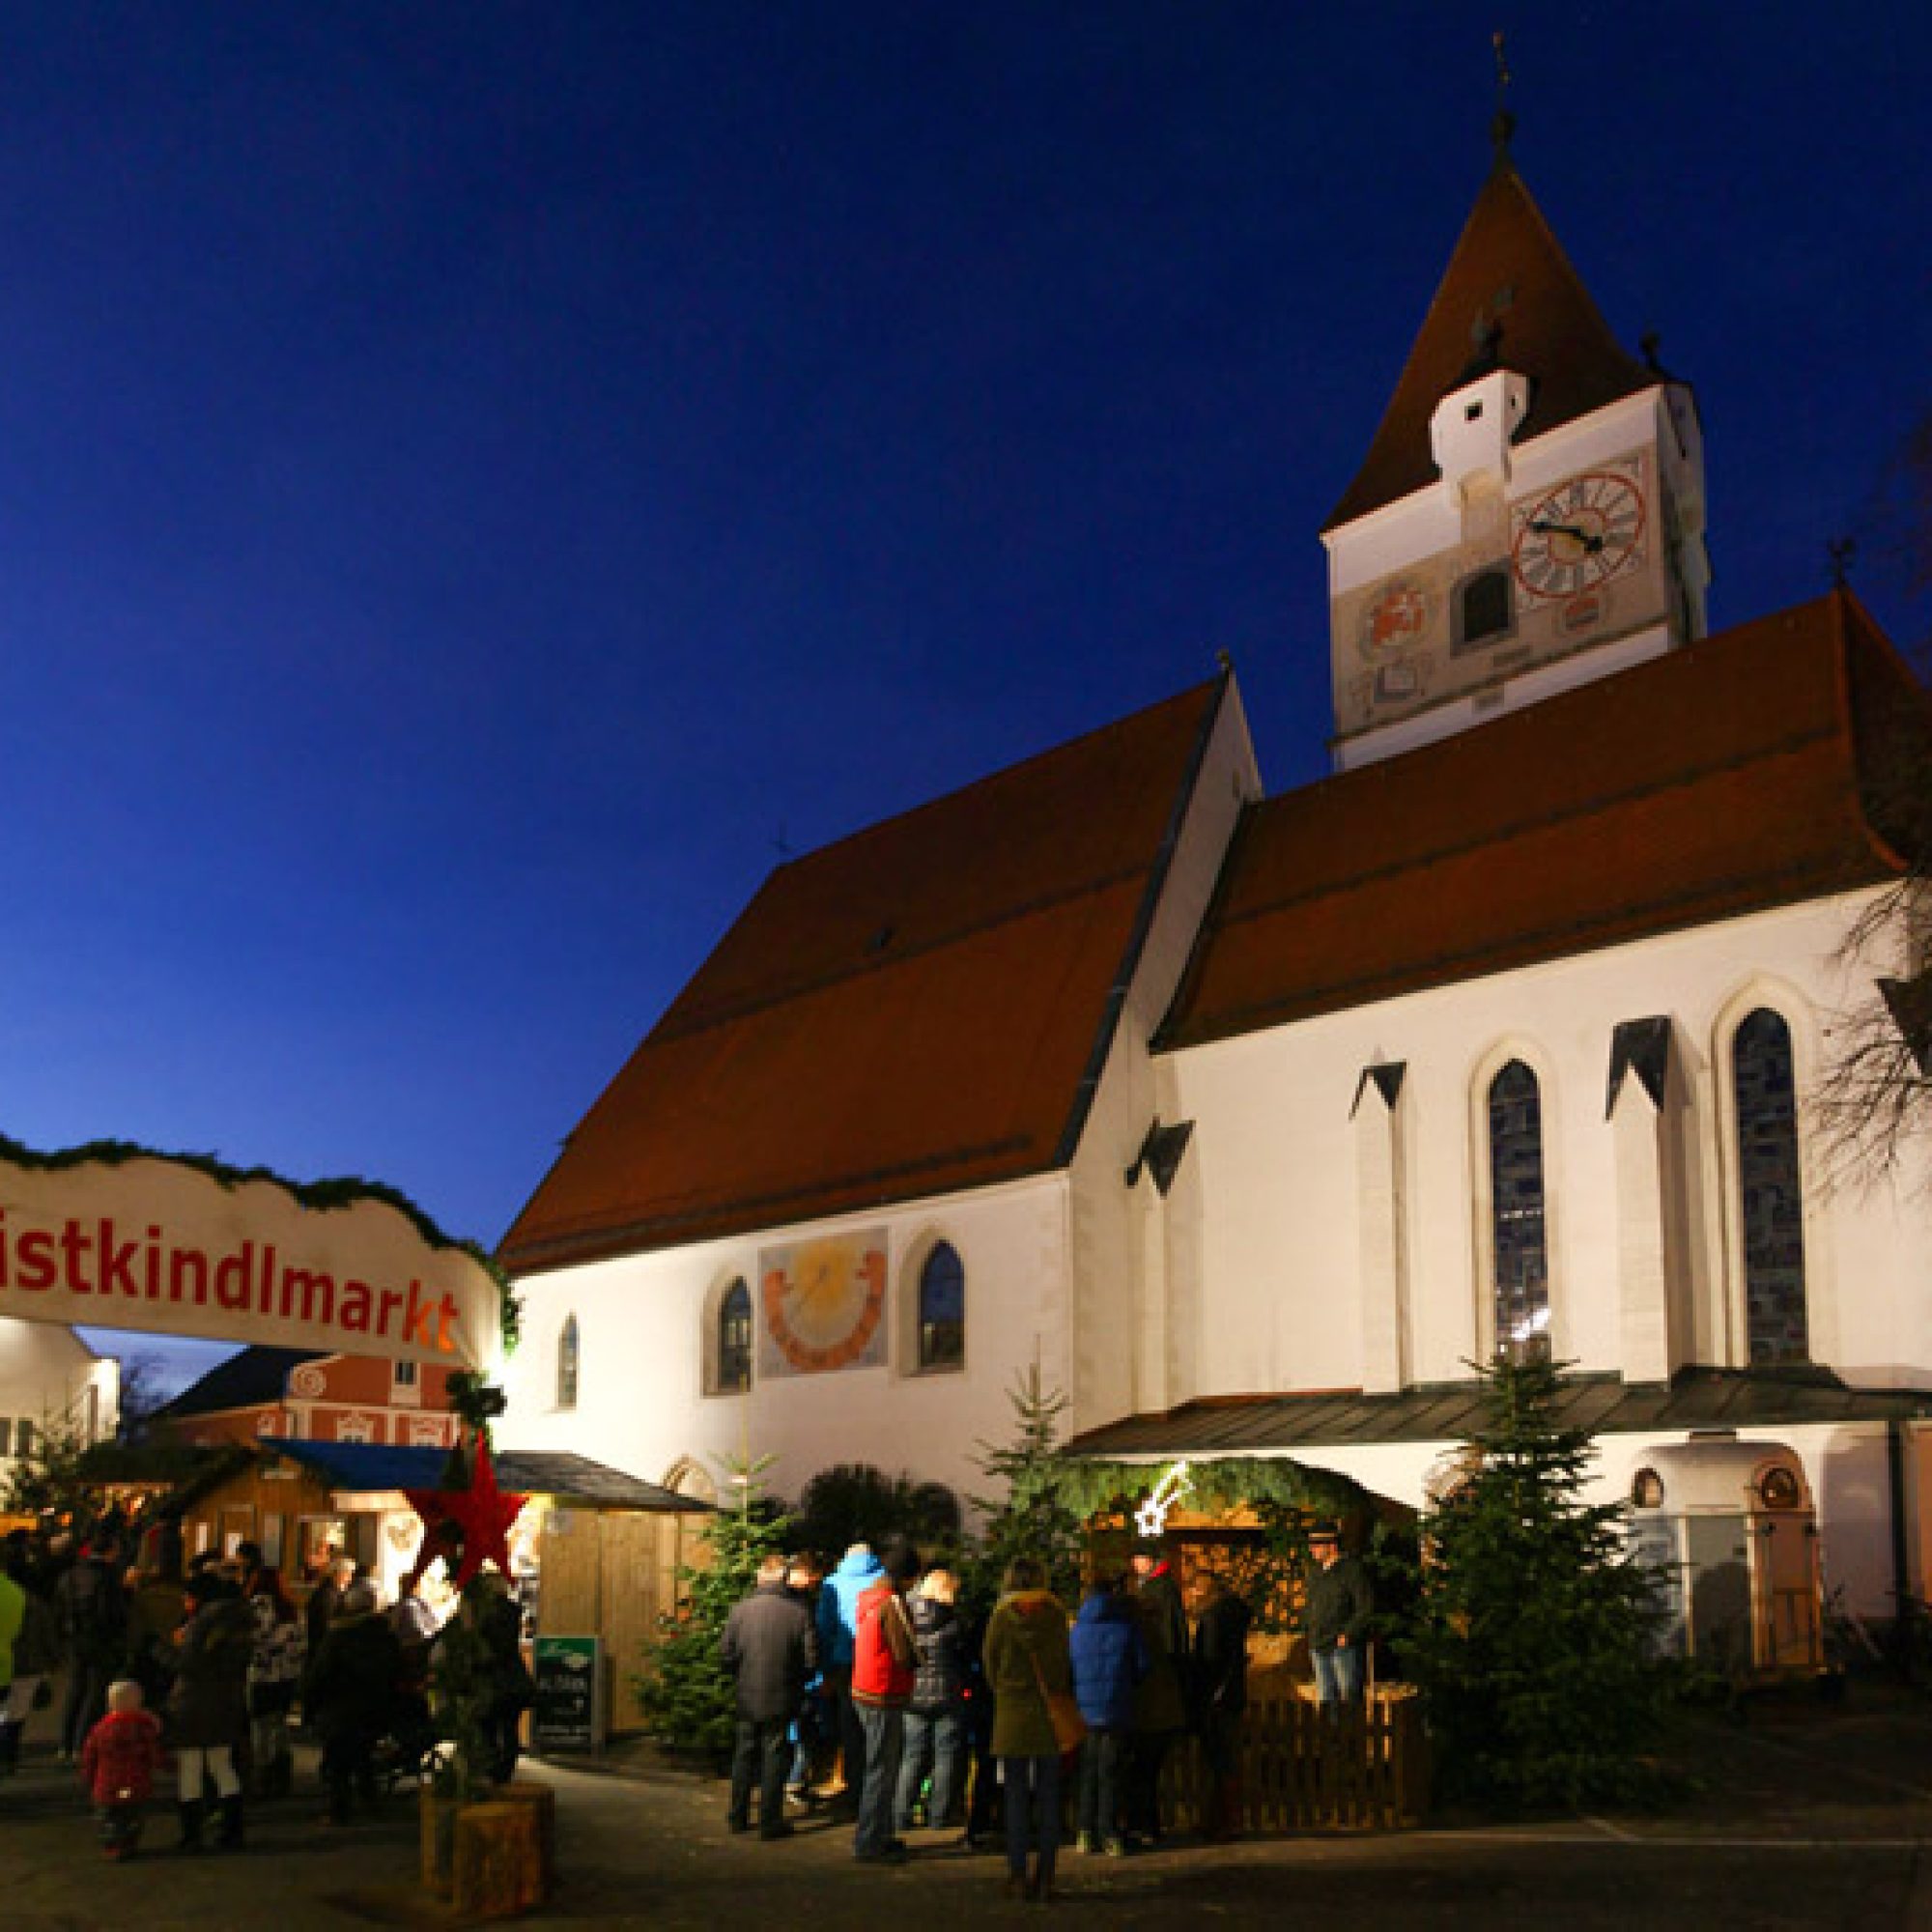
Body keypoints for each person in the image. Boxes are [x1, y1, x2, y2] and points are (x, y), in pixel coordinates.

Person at [982, 1554, 1074, 1905]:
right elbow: (1064, 1664)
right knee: (1050, 1799)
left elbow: (990, 1665)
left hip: (1011, 1714)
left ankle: (1017, 1876)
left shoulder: (1001, 1619)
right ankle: (1046, 1877)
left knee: (1016, 1799)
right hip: (1049, 1716)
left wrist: (1006, 1689)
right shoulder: (1054, 1616)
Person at [721, 1552, 820, 1840]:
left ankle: (737, 1816)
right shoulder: (799, 1612)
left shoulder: (739, 1611)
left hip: (747, 1693)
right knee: (775, 1755)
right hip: (782, 1694)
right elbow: (811, 1660)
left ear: (759, 1577)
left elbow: (726, 1655)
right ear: (784, 1578)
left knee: (744, 1754)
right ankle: (769, 1820)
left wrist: (740, 1675)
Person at [304, 1578, 405, 1826]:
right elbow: (395, 1670)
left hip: (341, 1707)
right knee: (363, 1755)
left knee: (339, 1760)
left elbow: (320, 1673)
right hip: (374, 1705)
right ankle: (370, 1801)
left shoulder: (339, 1637)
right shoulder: (385, 1636)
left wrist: (311, 1699)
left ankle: (340, 1810)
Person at [169, 1570, 253, 1852]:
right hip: (227, 1699)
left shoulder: (201, 1624)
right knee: (223, 1765)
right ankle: (233, 1830)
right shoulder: (239, 1620)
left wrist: (167, 1649)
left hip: (194, 1702)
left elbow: (188, 1665)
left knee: (191, 1767)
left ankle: (191, 1834)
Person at [848, 1539, 920, 1865]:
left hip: (864, 1689)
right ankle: (869, 1840)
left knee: (879, 1765)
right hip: (884, 1692)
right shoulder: (893, 1603)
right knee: (882, 1769)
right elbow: (905, 1654)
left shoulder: (869, 1598)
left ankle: (880, 1834)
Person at [1068, 1572, 1147, 1857]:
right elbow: (1142, 1666)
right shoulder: (1126, 1628)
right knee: (1111, 1771)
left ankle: (1085, 1831)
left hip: (1085, 1709)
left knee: (1088, 1770)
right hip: (1117, 1705)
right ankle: (1109, 1832)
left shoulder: (1077, 1630)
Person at [1123, 1539, 1188, 1846]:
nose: (1135, 1564)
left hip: (1151, 1701)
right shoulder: (1161, 1588)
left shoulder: (1157, 1591)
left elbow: (1170, 1637)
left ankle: (1144, 1826)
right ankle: (1145, 1825)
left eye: (1138, 1559)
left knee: (1143, 1769)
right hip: (1161, 1697)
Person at [896, 1565, 968, 1834]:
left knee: (912, 1756)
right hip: (947, 1695)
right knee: (946, 1757)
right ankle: (939, 1816)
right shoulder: (953, 1622)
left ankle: (900, 1813)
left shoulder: (907, 1615)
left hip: (913, 1695)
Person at [816, 1541, 883, 1816]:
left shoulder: (833, 1582)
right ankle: (873, 1791)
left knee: (850, 1726)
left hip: (844, 1662)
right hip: (874, 1661)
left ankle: (854, 1789)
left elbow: (824, 1626)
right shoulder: (881, 1580)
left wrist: (826, 1668)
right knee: (876, 1729)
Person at [1190, 1570, 1253, 1839]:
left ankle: (1223, 1819)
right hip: (1231, 1693)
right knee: (1225, 1757)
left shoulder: (1212, 1617)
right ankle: (1225, 1818)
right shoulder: (1233, 1615)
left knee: (1218, 1757)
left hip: (1216, 1696)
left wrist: (1203, 1687)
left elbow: (1210, 1658)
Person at [55, 1528, 128, 1761]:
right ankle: (81, 1744)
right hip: (100, 1640)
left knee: (75, 1689)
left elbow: (58, 1607)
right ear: (111, 1550)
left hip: (73, 1638)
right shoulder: (108, 1576)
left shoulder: (71, 1574)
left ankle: (64, 1743)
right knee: (95, 1692)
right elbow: (112, 1613)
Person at [79, 1679, 167, 1860]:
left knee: (108, 1817)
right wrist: (165, 1764)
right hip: (136, 1784)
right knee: (133, 1815)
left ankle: (112, 1845)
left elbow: (90, 1757)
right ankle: (129, 1843)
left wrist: (88, 1778)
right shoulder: (144, 1728)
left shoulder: (100, 1729)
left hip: (106, 1785)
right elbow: (154, 1754)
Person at [244, 1566, 305, 1800]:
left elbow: (255, 1638)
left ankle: (263, 1775)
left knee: (260, 1726)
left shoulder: (258, 1606)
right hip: (287, 1675)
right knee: (279, 1723)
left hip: (263, 1674)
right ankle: (281, 1774)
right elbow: (300, 1644)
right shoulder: (291, 1609)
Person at [0, 1545, 59, 1774]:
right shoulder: (33, 1603)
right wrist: (52, 1662)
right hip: (28, 1665)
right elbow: (47, 1635)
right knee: (15, 1715)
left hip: (10, 1664)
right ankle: (9, 1757)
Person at [1304, 1520, 1373, 1709]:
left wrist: (1348, 1633)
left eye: (1317, 1545)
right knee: (1326, 1699)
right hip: (1318, 1644)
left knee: (1348, 1697)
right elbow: (1311, 1605)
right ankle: (1330, 1736)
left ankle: (1350, 1735)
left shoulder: (1351, 1571)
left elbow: (1365, 1606)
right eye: (1311, 1545)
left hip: (1342, 1646)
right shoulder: (1315, 1574)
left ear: (1332, 1546)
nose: (1312, 1550)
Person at [782, 1553, 827, 1808]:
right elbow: (810, 1648)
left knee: (800, 1736)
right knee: (804, 1736)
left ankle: (795, 1781)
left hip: (793, 1680)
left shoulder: (792, 1598)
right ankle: (795, 1782)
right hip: (802, 1682)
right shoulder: (802, 1604)